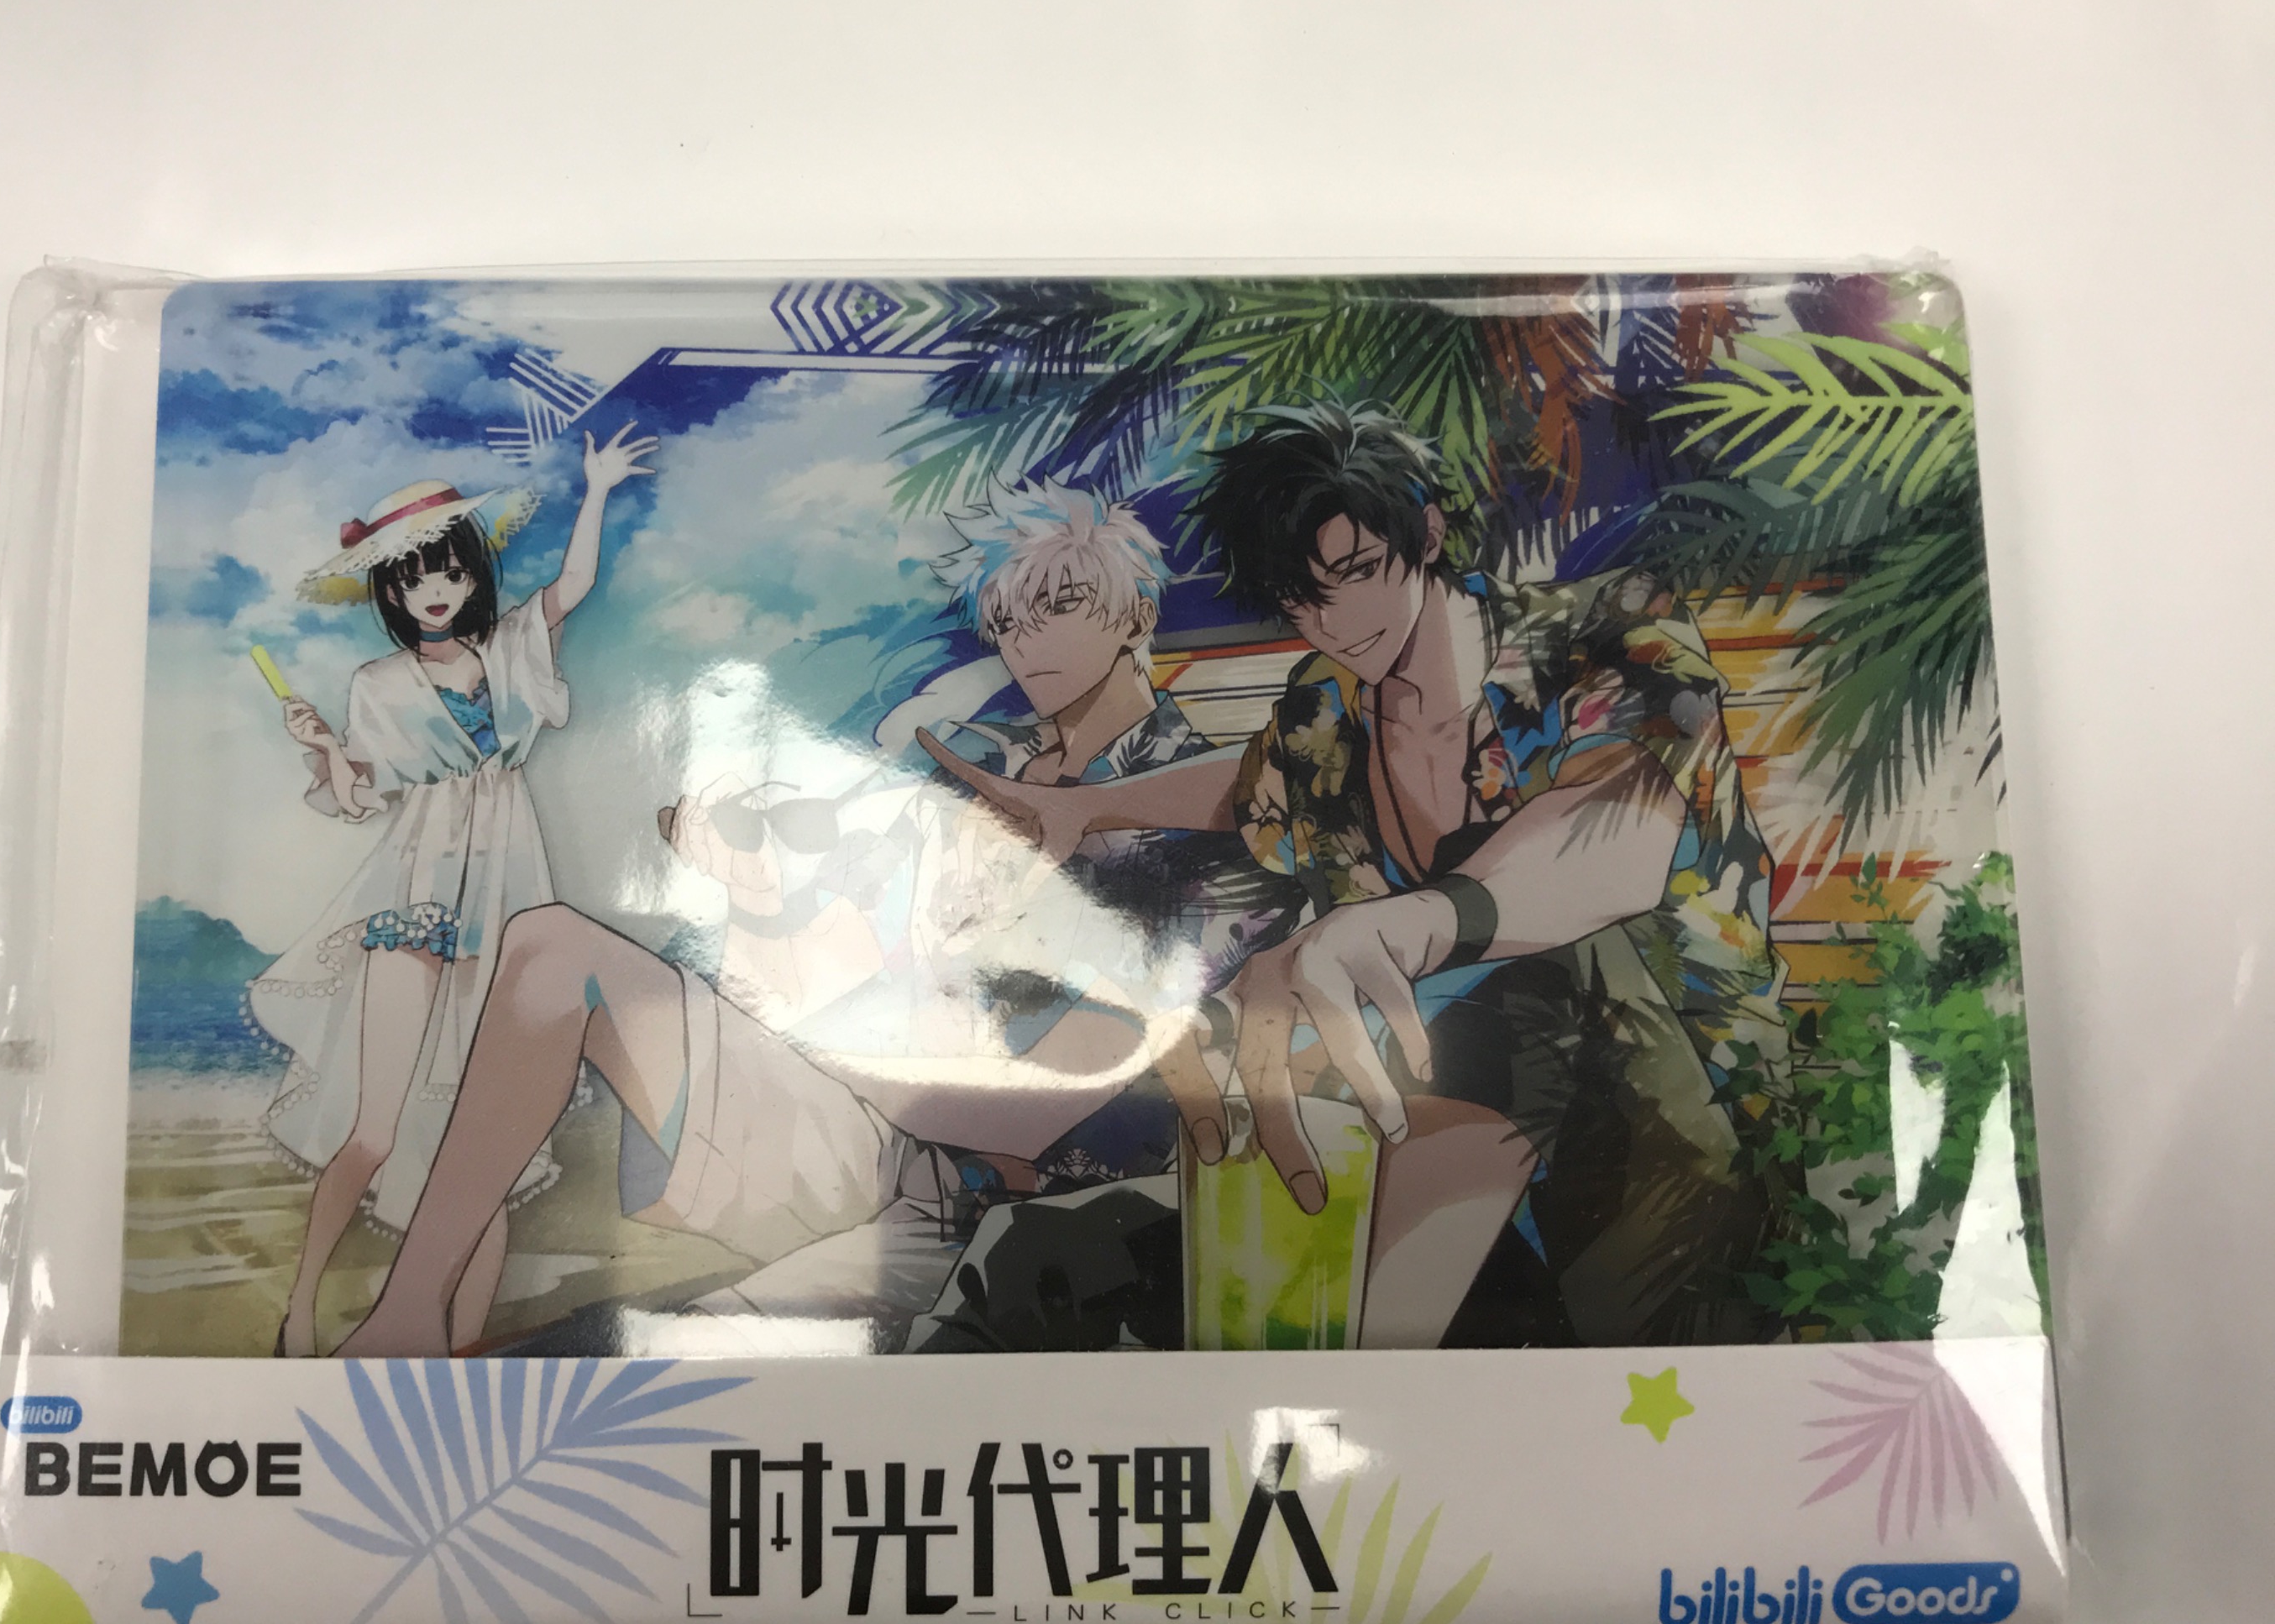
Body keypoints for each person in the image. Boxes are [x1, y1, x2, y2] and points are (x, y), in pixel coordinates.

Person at [337, 479, 1291, 1358]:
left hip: (1032, 1202)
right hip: (869, 1134)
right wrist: (748, 883)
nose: (1027, 640)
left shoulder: (1223, 802)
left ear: (1138, 615)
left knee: (621, 1357)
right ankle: (405, 1311)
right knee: (549, 949)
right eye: (1007, 620)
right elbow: (859, 954)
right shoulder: (971, 766)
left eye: (1061, 606)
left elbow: (1138, 1064)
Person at [920, 404, 1791, 1348]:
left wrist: (1412, 925)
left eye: (1360, 571)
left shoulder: (1604, 635)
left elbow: (1617, 831)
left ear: (1427, 532)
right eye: (1302, 599)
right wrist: (1087, 808)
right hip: (1418, 1182)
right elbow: (1257, 784)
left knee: (1539, 977)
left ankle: (1333, 1360)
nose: (1337, 619)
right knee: (1035, 1258)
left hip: (1659, 1172)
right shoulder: (1324, 707)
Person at [250, 424, 656, 1357]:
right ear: (390, 595)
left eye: (449, 570)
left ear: (473, 572)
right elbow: (362, 797)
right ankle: (301, 1310)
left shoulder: (514, 647)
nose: (434, 590)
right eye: (412, 580)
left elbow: (574, 585)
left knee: (484, 1146)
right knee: (375, 1128)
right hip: (416, 896)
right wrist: (324, 747)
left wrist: (597, 489)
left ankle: (462, 1346)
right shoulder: (379, 683)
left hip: (507, 901)